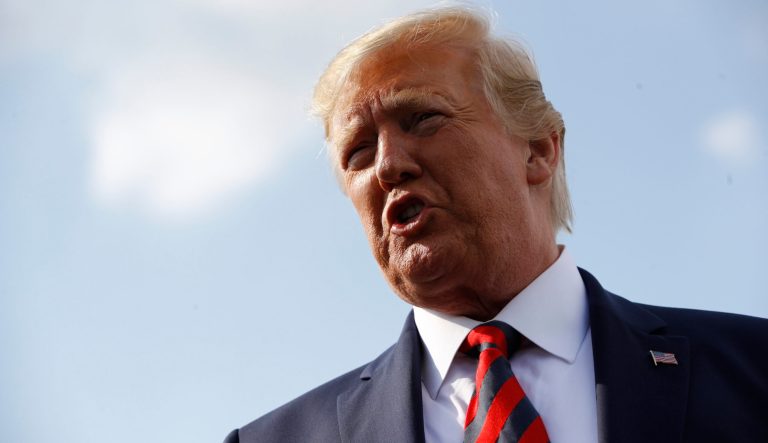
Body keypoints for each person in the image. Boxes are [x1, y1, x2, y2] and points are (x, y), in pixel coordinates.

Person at [225, 7, 768, 443]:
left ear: (538, 149)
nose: (388, 165)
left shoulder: (752, 367)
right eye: (359, 153)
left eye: (422, 118)